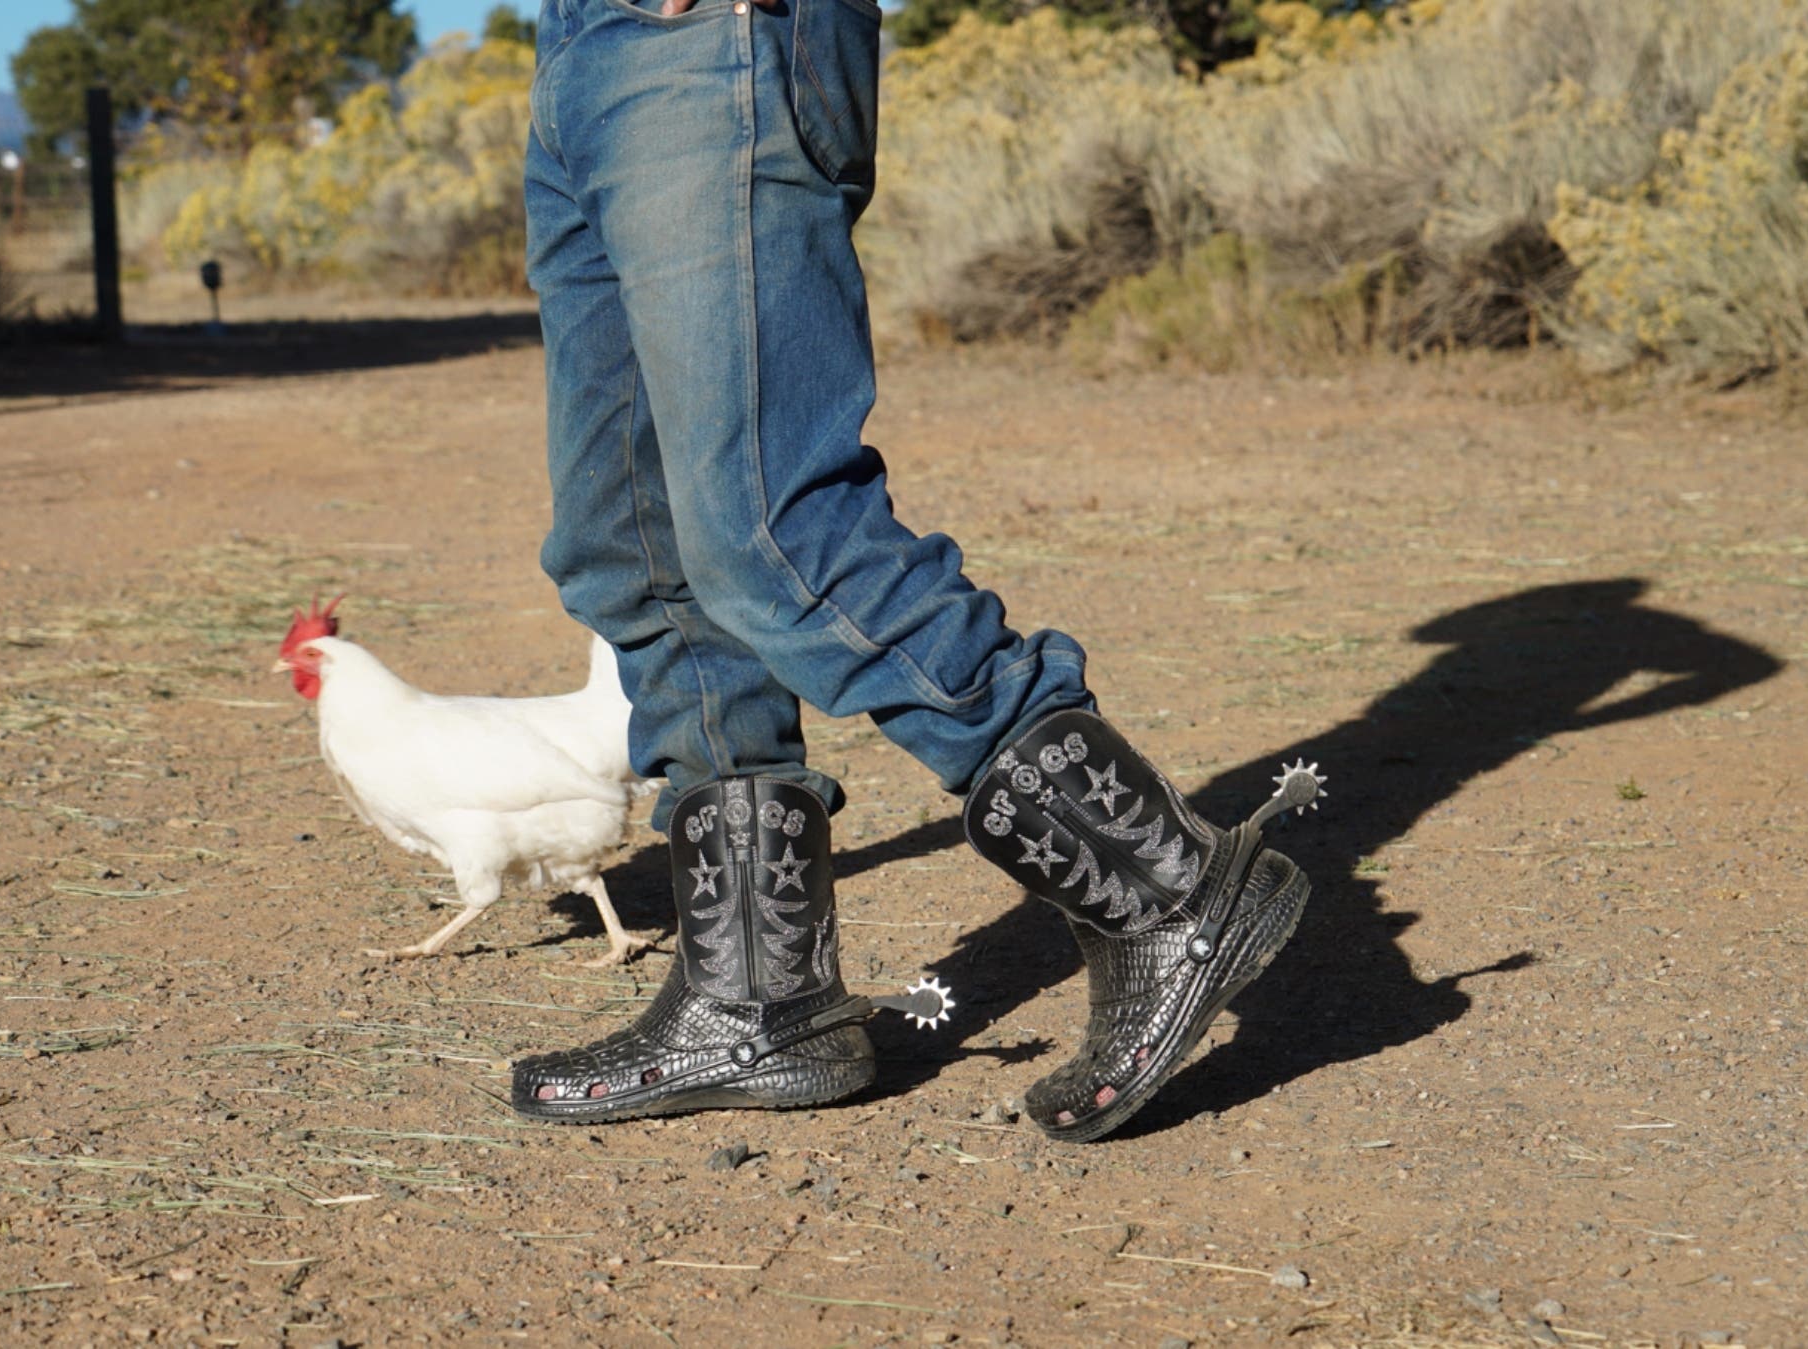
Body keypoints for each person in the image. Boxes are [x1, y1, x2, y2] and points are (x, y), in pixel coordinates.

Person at [508, 0, 1321, 1142]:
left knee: (767, 525)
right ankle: (754, 1001)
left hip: (705, 42)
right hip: (577, 51)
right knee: (632, 546)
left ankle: (1167, 888)